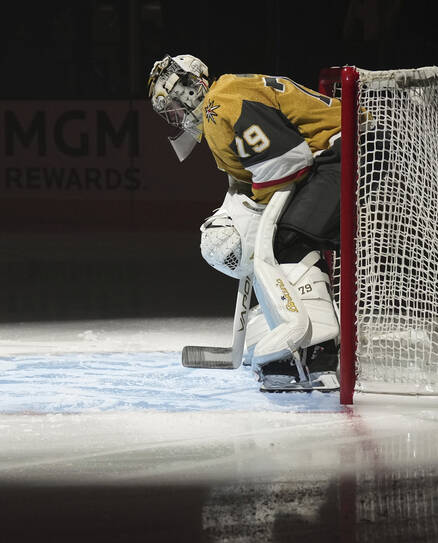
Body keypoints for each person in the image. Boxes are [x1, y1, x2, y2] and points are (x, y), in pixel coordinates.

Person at [147, 54, 344, 389]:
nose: (178, 119)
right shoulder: (221, 103)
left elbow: (288, 163)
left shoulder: (221, 102)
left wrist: (258, 218)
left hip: (352, 149)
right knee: (283, 237)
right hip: (339, 151)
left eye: (175, 109)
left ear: (190, 91)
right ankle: (301, 336)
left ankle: (315, 350)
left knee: (287, 239)